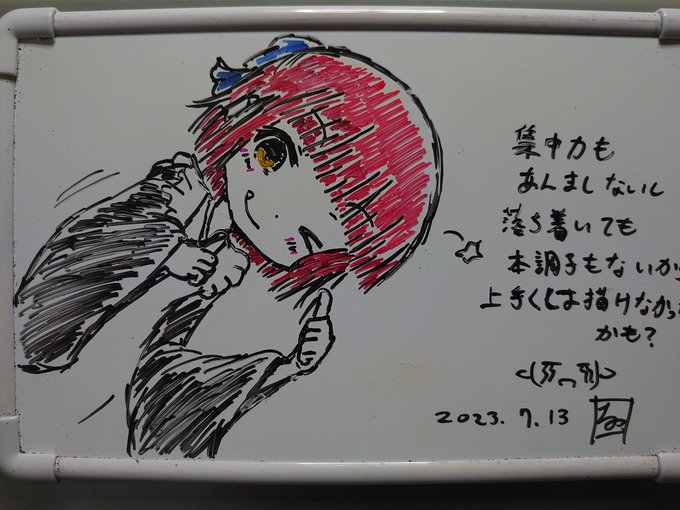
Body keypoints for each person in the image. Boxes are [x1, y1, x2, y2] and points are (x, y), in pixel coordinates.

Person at [14, 35, 443, 457]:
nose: (273, 214)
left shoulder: (256, 281)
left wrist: (286, 368)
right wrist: (167, 249)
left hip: (91, 443)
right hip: (44, 397)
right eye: (272, 156)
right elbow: (48, 304)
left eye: (308, 238)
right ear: (244, 124)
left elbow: (163, 418)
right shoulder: (178, 194)